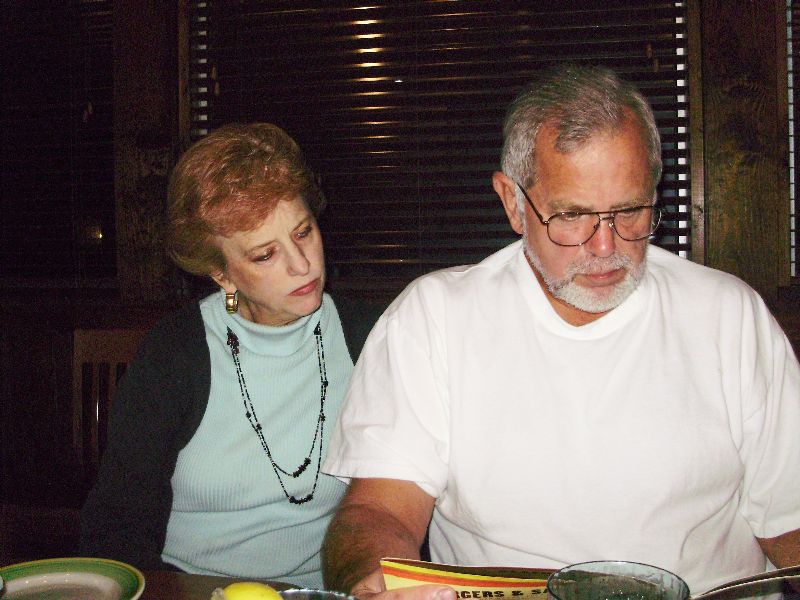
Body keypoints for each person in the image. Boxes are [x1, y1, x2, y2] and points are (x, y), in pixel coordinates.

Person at [320, 64, 800, 599]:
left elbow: (790, 517)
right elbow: (379, 509)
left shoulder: (728, 314)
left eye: (630, 210)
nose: (605, 246)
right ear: (513, 202)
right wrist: (375, 584)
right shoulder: (435, 318)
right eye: (572, 216)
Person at [80, 123, 382, 588]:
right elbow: (116, 527)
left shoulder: (368, 339)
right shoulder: (176, 355)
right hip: (193, 589)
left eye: (303, 232)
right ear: (222, 275)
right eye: (265, 255)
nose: (302, 264)